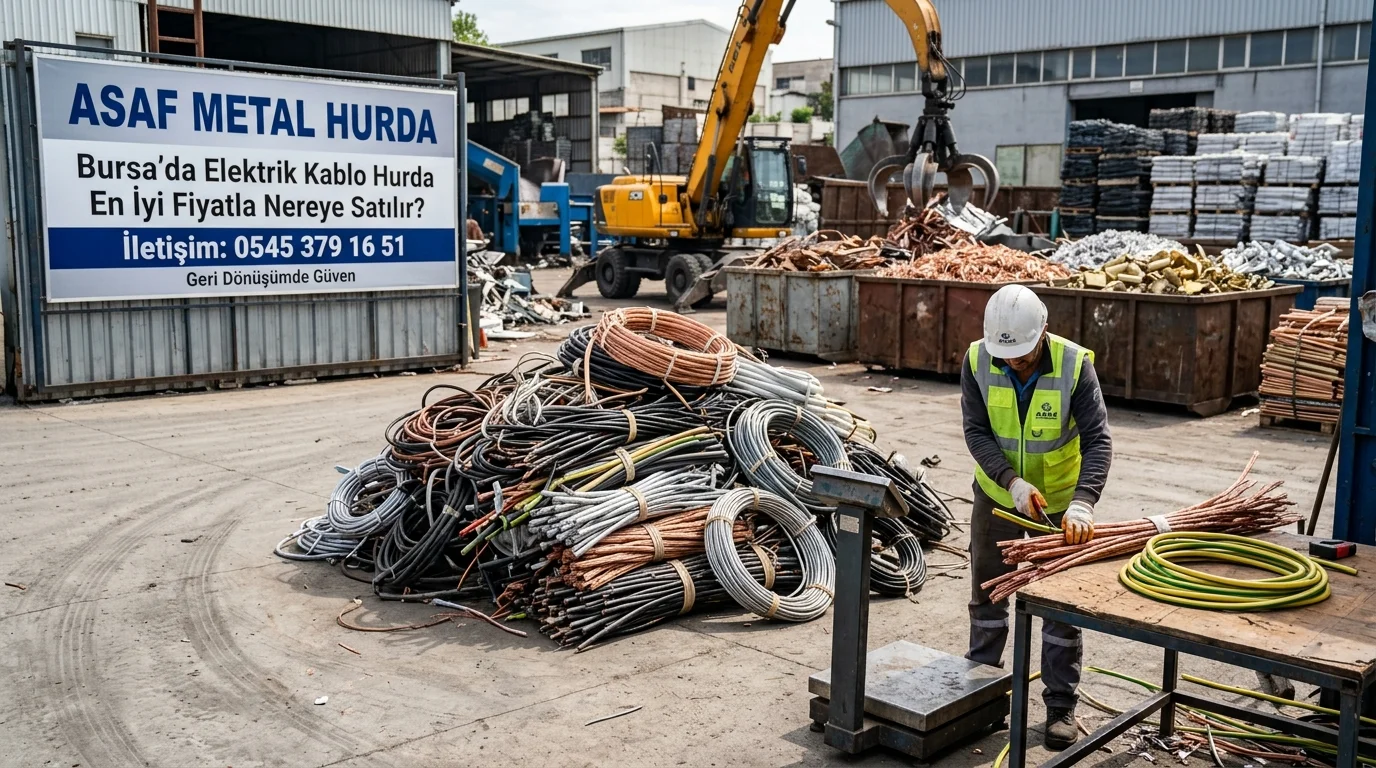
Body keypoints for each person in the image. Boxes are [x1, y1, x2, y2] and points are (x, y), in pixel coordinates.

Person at [960, 284, 1113, 751]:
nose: (1012, 364)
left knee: (1059, 607)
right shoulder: (977, 359)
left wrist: (1085, 501)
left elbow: (1098, 440)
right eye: (1005, 357)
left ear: (1043, 333)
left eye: (1022, 358)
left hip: (1062, 504)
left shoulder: (1074, 365)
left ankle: (1061, 707)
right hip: (999, 495)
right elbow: (976, 430)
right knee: (988, 597)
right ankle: (979, 697)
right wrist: (1010, 482)